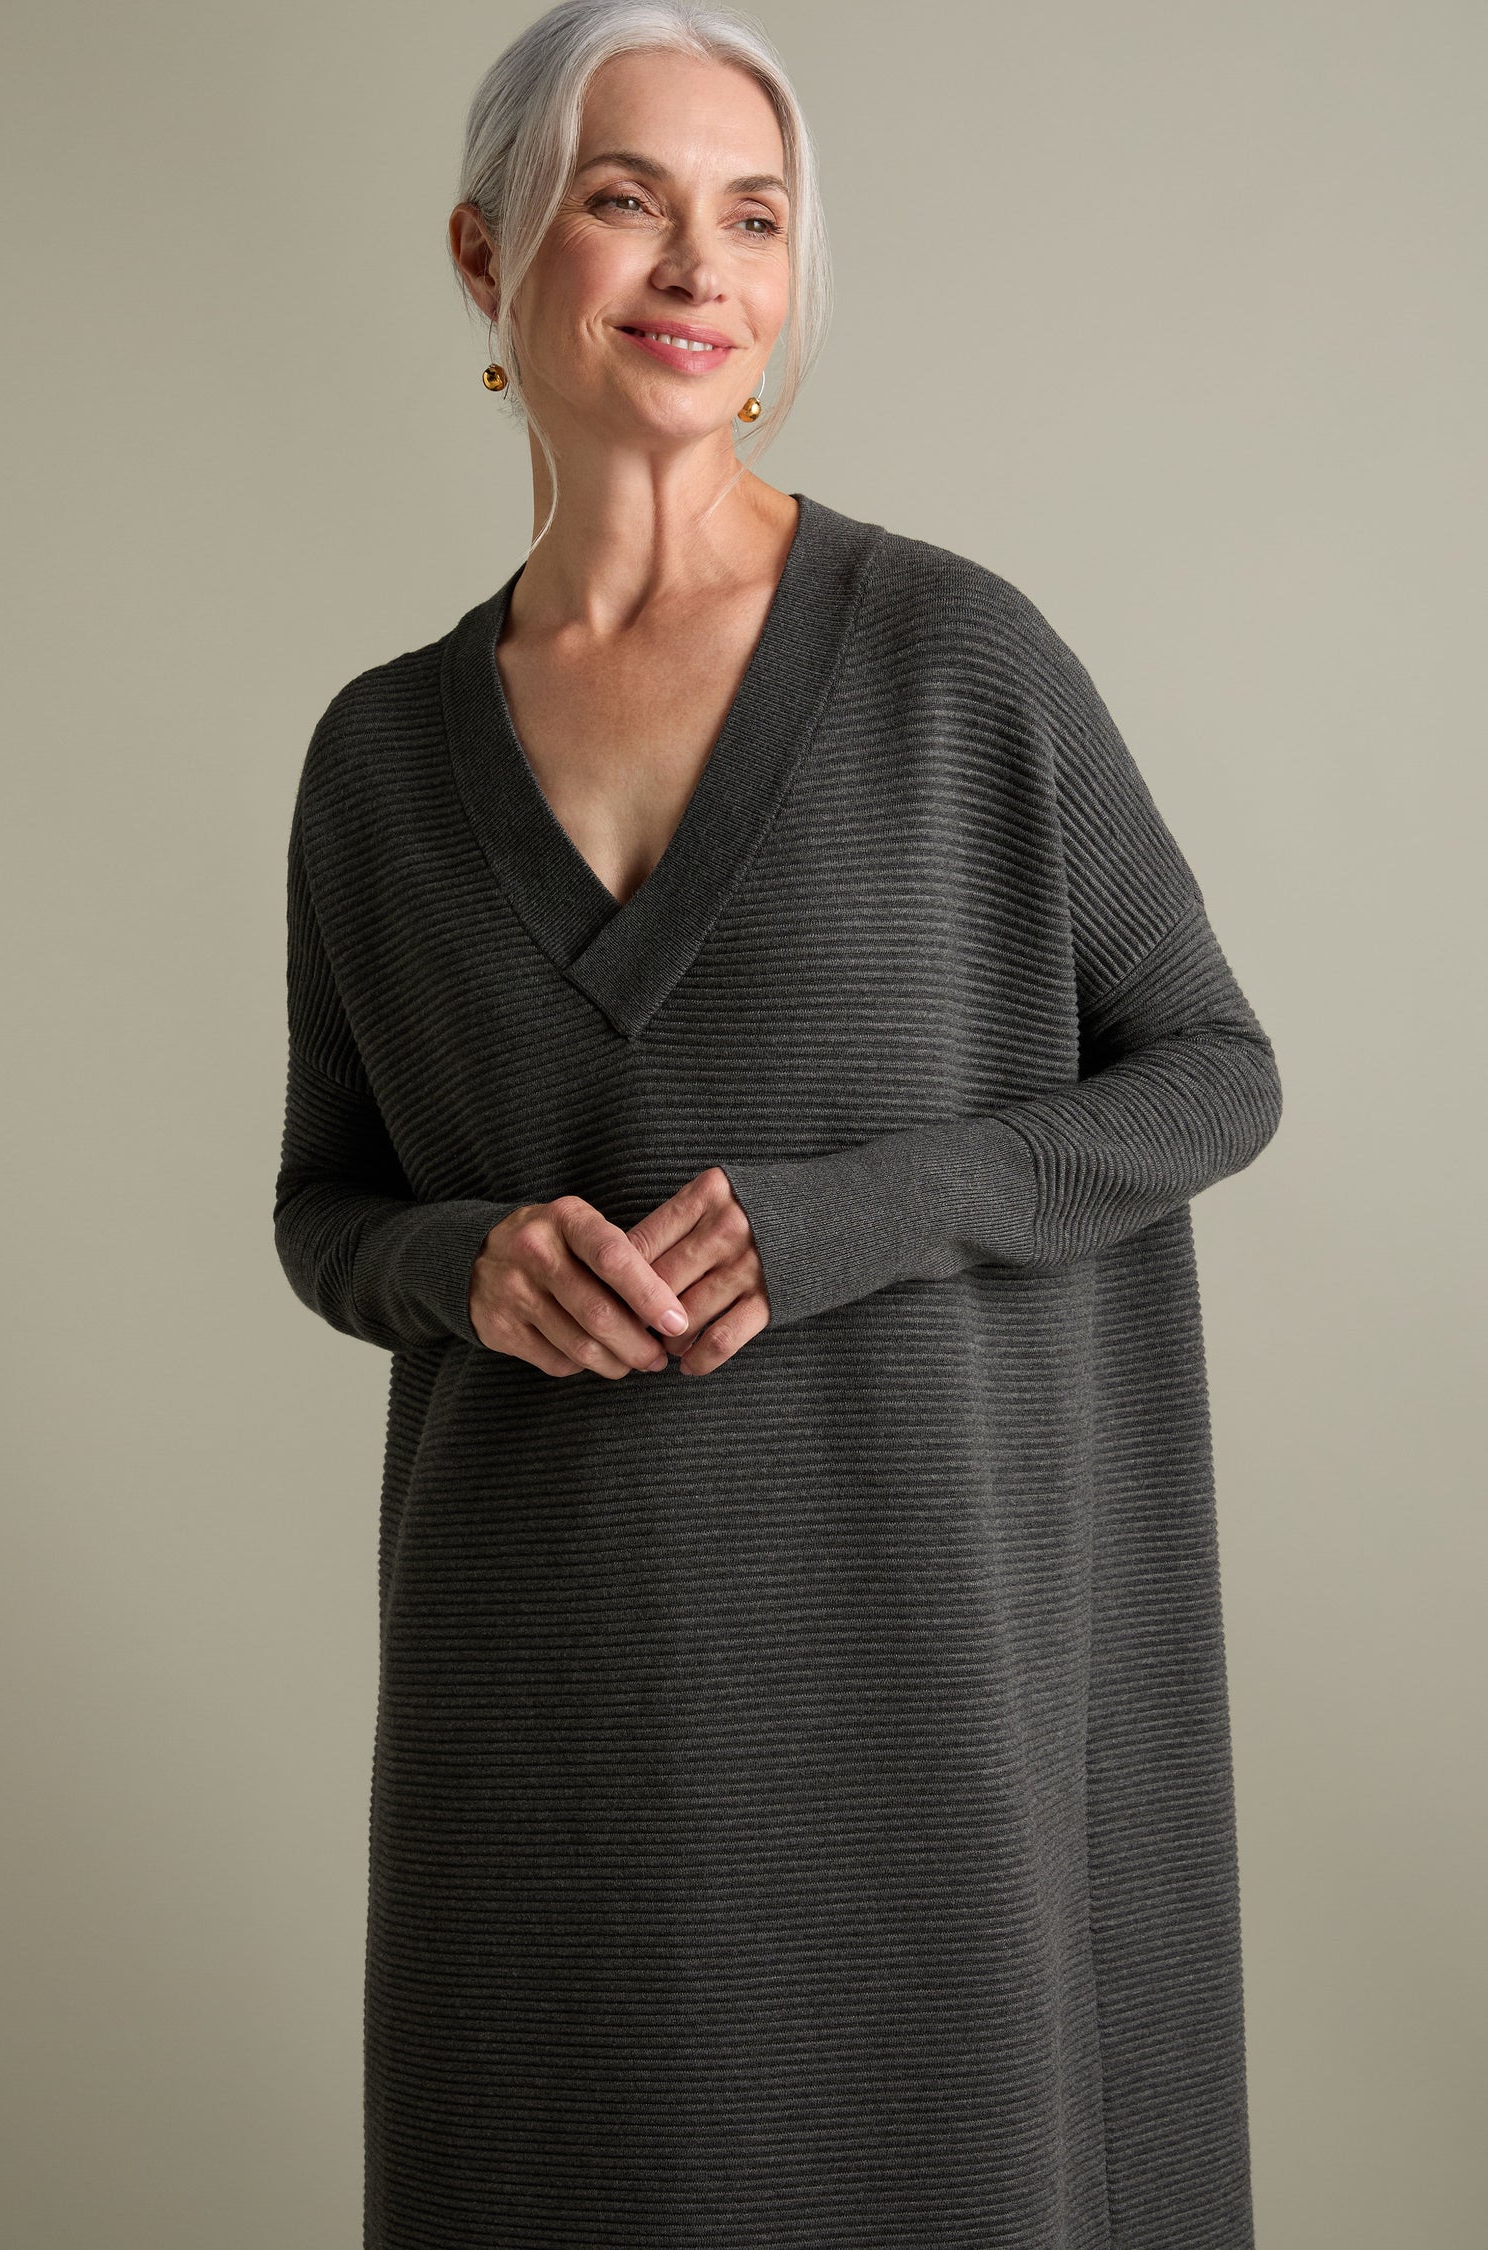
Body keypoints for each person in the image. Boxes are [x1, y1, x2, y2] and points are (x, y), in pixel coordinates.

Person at [272, 4, 1284, 2244]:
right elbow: (325, 1207)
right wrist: (463, 1261)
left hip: (919, 1695)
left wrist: (869, 1212)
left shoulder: (957, 665)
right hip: (532, 1712)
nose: (695, 266)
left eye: (752, 215)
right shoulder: (377, 766)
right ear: (488, 249)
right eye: (626, 197)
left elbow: (1214, 1071)